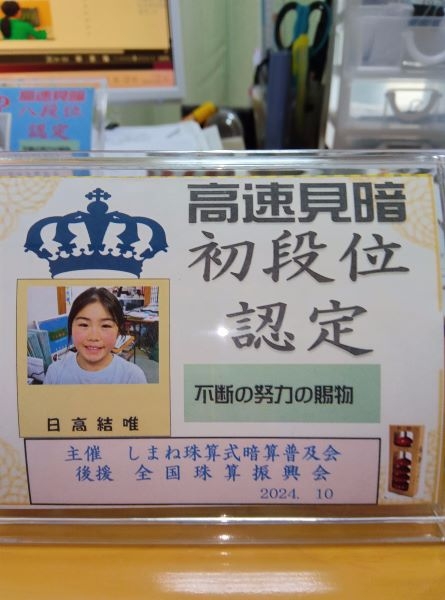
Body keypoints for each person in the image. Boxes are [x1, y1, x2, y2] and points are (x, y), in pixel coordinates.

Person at [44, 287, 147, 384]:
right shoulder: (55, 374)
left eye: (105, 325)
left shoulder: (133, 378)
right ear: (71, 327)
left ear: (118, 332)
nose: (94, 337)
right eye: (84, 325)